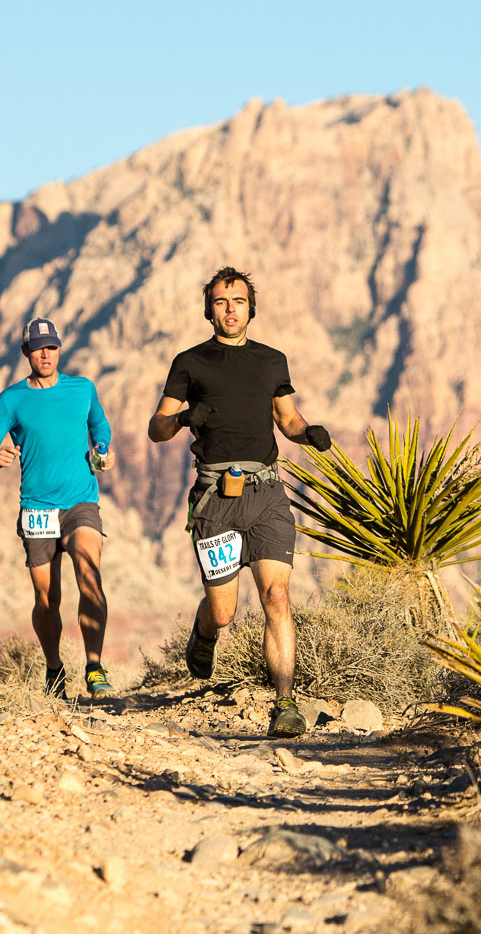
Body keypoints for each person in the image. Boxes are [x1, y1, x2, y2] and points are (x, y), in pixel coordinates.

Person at [147, 267, 332, 737]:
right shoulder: (190, 363)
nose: (231, 309)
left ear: (252, 308)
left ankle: (285, 704)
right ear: (209, 310)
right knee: (225, 611)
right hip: (216, 499)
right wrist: (187, 416)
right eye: (221, 302)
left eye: (239, 301)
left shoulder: (272, 361)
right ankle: (204, 632)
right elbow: (157, 428)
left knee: (277, 595)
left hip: (266, 493)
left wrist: (307, 434)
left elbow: (287, 418)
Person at [0, 318, 118, 699]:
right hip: (37, 508)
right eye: (38, 348)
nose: (46, 354)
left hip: (79, 501)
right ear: (26, 353)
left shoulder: (82, 389)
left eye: (51, 347)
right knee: (46, 599)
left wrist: (102, 449)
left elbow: (100, 426)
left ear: (59, 349)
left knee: (90, 576)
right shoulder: (12, 399)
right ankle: (54, 666)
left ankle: (94, 667)